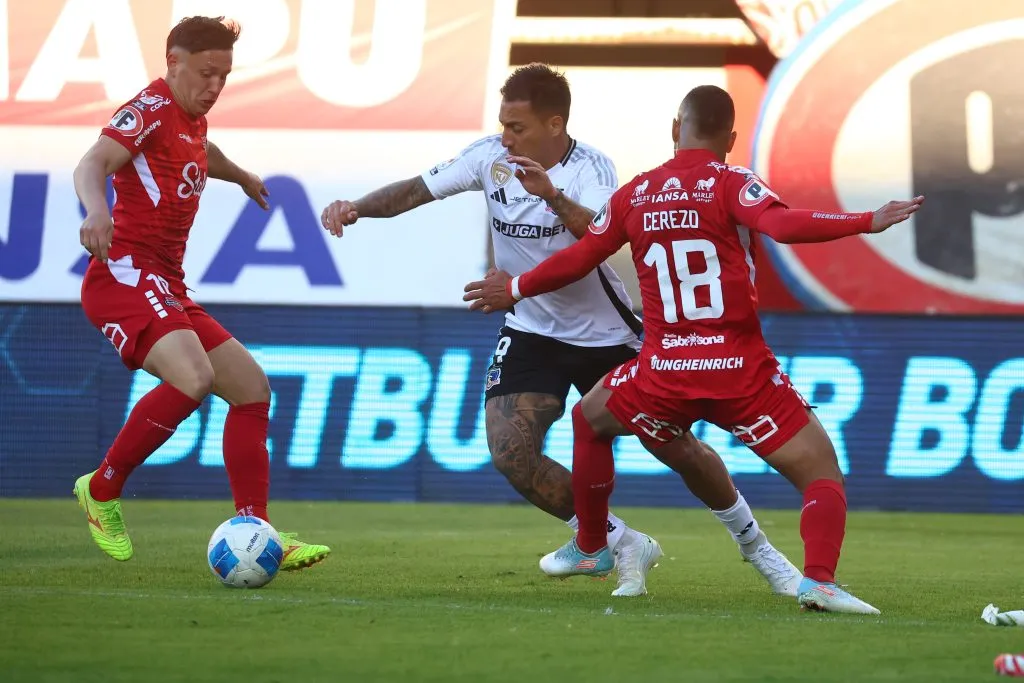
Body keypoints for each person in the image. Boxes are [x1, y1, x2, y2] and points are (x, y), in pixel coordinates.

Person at [321, 64, 799, 597]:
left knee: (675, 447)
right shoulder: (488, 158)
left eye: (517, 128)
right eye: (502, 124)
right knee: (510, 451)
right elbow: (417, 190)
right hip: (531, 327)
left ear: (555, 124)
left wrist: (548, 195)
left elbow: (599, 237)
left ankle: (757, 546)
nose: (506, 138)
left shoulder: (593, 168)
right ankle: (616, 541)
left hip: (605, 332)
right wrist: (357, 208)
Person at [464, 84, 925, 614]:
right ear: (730, 138)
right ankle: (817, 581)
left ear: (674, 129)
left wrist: (517, 288)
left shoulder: (637, 192)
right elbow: (782, 225)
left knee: (589, 420)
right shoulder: (732, 183)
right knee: (820, 472)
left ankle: (593, 544)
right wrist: (867, 219)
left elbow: (583, 254)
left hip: (662, 371)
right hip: (739, 373)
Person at [73, 16, 330, 570]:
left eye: (225, 75)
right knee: (194, 378)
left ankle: (257, 530)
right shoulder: (151, 108)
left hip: (165, 282)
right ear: (173, 62)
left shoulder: (191, 118)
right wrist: (97, 209)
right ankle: (101, 489)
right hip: (124, 273)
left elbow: (201, 153)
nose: (215, 85)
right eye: (207, 73)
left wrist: (240, 175)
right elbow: (93, 161)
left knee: (252, 390)